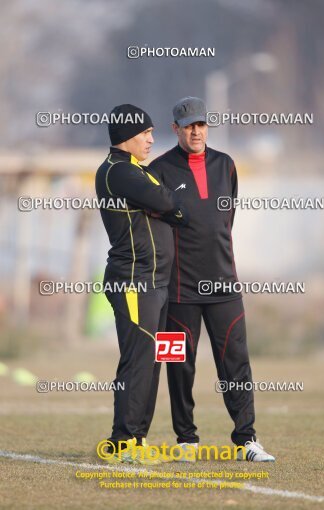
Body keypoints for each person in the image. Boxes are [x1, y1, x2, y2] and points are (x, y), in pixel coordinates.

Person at [149, 97, 275, 462]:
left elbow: (225, 221)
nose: (196, 131)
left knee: (236, 362)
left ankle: (247, 439)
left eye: (201, 125)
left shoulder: (226, 165)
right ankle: (186, 439)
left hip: (224, 286)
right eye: (189, 126)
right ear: (176, 129)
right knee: (177, 364)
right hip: (177, 289)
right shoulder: (159, 169)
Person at [95, 104, 187, 464]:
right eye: (145, 133)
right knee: (139, 358)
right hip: (134, 281)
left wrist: (168, 206)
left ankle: (137, 437)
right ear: (126, 137)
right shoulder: (117, 171)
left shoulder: (138, 171)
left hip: (156, 282)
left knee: (153, 360)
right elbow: (168, 201)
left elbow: (175, 211)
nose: (152, 138)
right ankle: (123, 440)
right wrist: (167, 205)